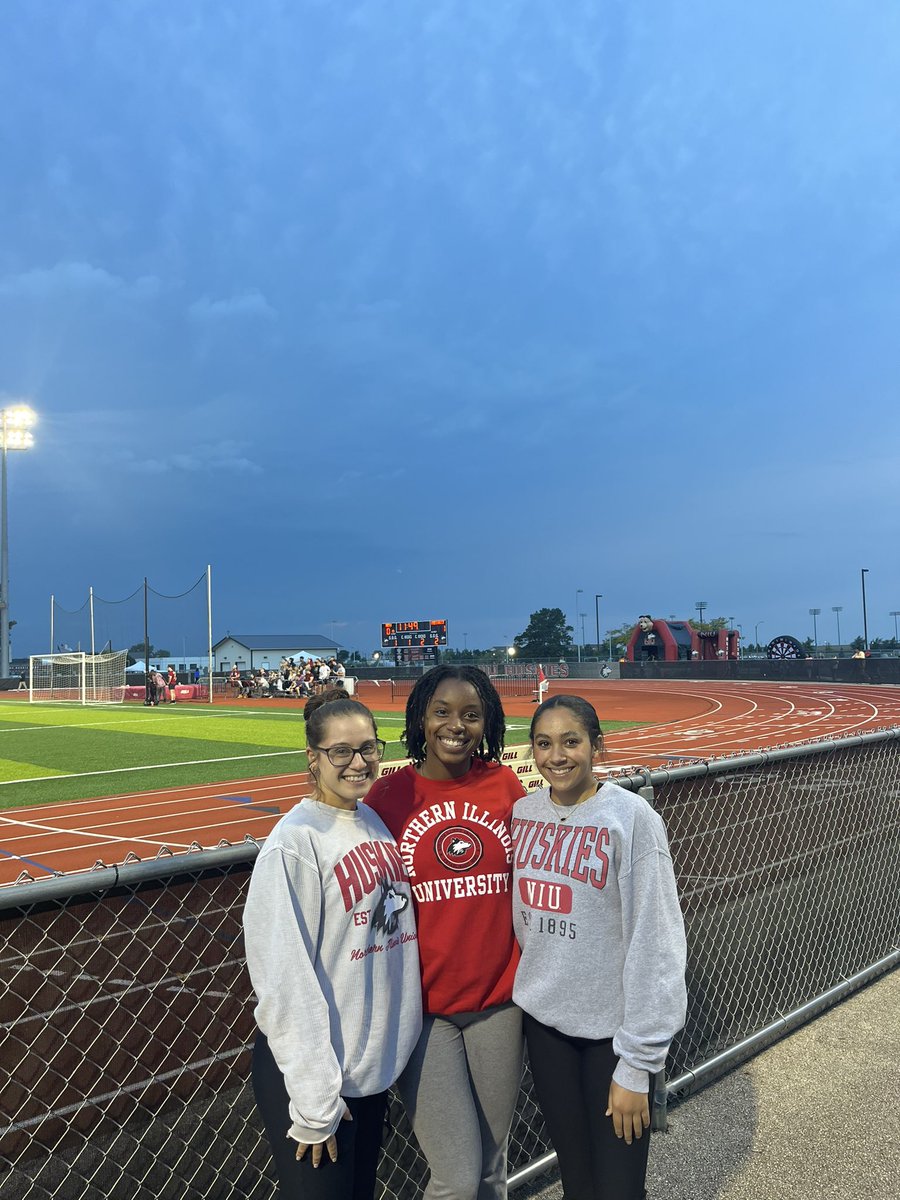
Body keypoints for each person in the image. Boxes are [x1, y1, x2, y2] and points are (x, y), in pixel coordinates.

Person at [243, 688, 422, 1200]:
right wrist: (316, 1099)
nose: (357, 762)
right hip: (316, 1081)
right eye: (340, 752)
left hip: (366, 1071)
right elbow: (283, 980)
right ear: (313, 757)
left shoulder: (371, 821)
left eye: (368, 748)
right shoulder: (294, 843)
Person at [511, 695, 687, 1200]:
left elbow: (657, 943)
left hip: (613, 1036)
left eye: (571, 741)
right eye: (543, 743)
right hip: (546, 1027)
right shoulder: (524, 812)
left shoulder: (631, 819)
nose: (556, 756)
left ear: (596, 745)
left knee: (618, 1187)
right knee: (577, 1181)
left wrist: (638, 1063)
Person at [366, 665, 525, 1200]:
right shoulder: (388, 798)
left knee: (491, 1168)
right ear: (420, 719)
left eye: (471, 715)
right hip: (424, 1014)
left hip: (499, 1006)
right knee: (455, 1177)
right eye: (442, 712)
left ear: (487, 724)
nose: (456, 725)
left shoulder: (503, 785)